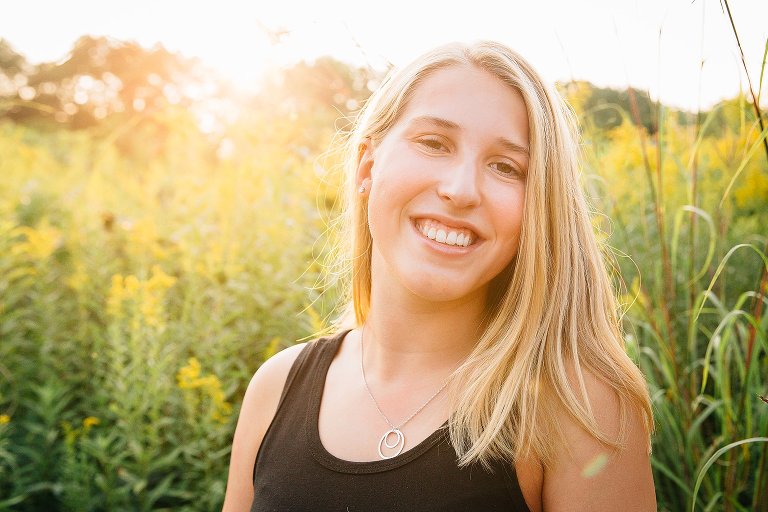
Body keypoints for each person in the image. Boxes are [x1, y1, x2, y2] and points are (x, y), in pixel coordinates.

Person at [222, 40, 656, 511]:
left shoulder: (575, 408)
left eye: (506, 167)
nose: (460, 189)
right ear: (368, 167)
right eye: (434, 143)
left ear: (540, 208)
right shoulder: (275, 388)